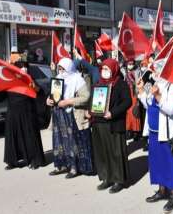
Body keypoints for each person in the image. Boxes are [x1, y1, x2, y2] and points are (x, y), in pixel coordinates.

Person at [0, 54, 45, 169]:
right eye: (21, 67)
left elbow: (40, 94)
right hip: (13, 114)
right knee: (13, 138)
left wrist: (35, 88)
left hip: (28, 113)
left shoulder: (29, 80)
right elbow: (0, 96)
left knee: (30, 137)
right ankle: (12, 161)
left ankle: (34, 160)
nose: (24, 69)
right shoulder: (9, 80)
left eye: (25, 67)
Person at [137, 74, 173, 212]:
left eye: (159, 68)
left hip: (167, 132)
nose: (155, 72)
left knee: (170, 163)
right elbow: (148, 105)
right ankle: (162, 190)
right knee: (156, 162)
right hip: (153, 131)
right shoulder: (155, 84)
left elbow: (171, 109)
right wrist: (141, 91)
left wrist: (157, 95)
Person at [47, 57, 94, 178]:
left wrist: (68, 101)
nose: (61, 71)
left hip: (72, 114)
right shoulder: (58, 78)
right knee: (60, 141)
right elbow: (53, 94)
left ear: (69, 68)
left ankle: (74, 167)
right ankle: (61, 165)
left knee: (72, 141)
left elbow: (85, 97)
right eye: (60, 68)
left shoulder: (78, 79)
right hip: (59, 114)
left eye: (64, 69)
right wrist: (48, 100)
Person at [90, 59, 132, 194]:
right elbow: (93, 101)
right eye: (103, 69)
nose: (105, 72)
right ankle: (106, 178)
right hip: (99, 123)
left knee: (115, 153)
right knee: (102, 152)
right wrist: (89, 111)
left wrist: (113, 113)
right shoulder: (99, 84)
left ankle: (118, 180)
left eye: (107, 69)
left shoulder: (120, 84)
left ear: (114, 69)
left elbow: (127, 102)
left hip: (113, 123)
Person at [125, 60, 142, 141]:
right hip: (127, 94)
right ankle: (130, 130)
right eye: (129, 64)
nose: (130, 65)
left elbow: (139, 83)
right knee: (128, 113)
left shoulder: (137, 72)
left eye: (131, 64)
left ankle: (136, 131)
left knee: (135, 112)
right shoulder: (125, 73)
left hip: (135, 94)